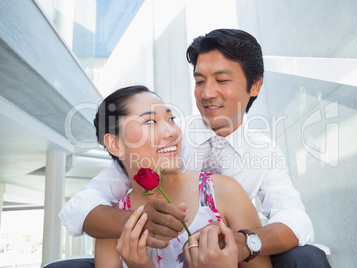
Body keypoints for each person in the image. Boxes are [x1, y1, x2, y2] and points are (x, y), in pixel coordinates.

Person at [58, 29, 330, 267]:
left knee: (307, 258)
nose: (207, 93)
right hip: (149, 255)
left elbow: (296, 218)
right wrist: (141, 226)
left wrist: (244, 243)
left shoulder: (264, 152)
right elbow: (82, 207)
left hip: (233, 254)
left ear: (254, 85)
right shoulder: (168, 140)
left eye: (221, 80)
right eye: (200, 81)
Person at [91, 85, 271, 267]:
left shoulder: (225, 192)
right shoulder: (112, 227)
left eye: (171, 119)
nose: (173, 132)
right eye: (150, 122)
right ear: (114, 144)